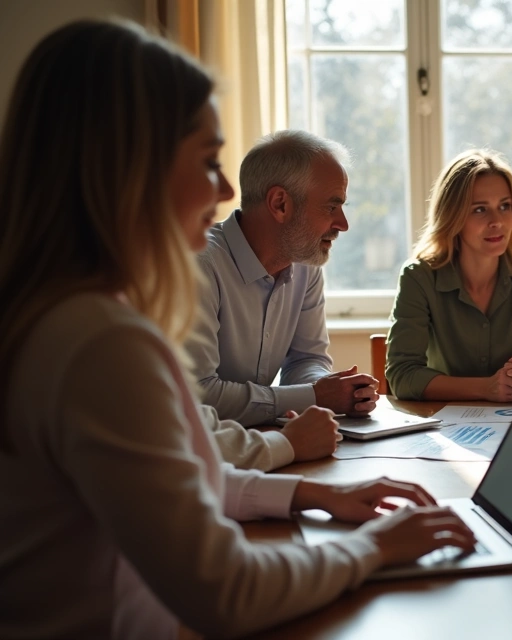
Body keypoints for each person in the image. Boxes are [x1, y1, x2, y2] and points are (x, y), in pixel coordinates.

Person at [0, 20, 475, 638]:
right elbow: (224, 589)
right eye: (208, 162)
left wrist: (314, 497)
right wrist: (375, 548)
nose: (226, 189)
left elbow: (176, 475)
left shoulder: (59, 315)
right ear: (129, 168)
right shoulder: (100, 343)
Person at [187, 129, 378, 431]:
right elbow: (199, 397)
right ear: (280, 204)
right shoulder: (198, 265)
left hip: (257, 443)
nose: (343, 224)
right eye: (331, 206)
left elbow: (306, 359)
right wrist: (315, 396)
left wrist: (333, 390)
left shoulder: (306, 262)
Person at [385, 149, 512, 401]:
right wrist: (487, 388)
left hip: (510, 420)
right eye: (479, 209)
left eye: (505, 206)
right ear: (453, 217)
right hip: (440, 424)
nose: (497, 221)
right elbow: (403, 375)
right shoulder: (418, 277)